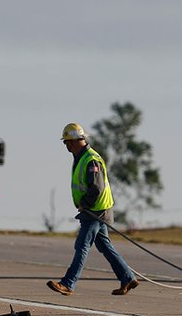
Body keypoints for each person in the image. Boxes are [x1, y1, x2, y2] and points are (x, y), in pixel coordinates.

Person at [47, 122, 140, 296]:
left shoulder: (90, 159)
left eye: (66, 142)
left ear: (73, 141)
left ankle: (68, 283)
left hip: (96, 210)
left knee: (82, 245)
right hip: (96, 209)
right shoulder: (81, 157)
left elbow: (96, 188)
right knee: (104, 245)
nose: (65, 146)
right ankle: (127, 278)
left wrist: (85, 204)